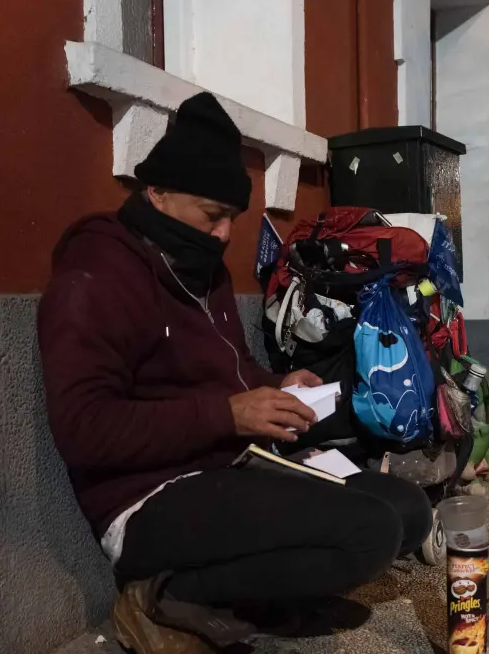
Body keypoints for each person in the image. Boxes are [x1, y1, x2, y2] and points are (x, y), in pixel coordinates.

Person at [37, 92, 432, 654]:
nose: (224, 234)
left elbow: (232, 367)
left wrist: (276, 385)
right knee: (370, 533)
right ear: (158, 192)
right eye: (212, 214)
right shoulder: (95, 275)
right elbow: (84, 429)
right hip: (149, 499)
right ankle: (168, 596)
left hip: (232, 464)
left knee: (407, 511)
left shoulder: (204, 268)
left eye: (232, 218)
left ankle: (252, 598)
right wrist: (225, 415)